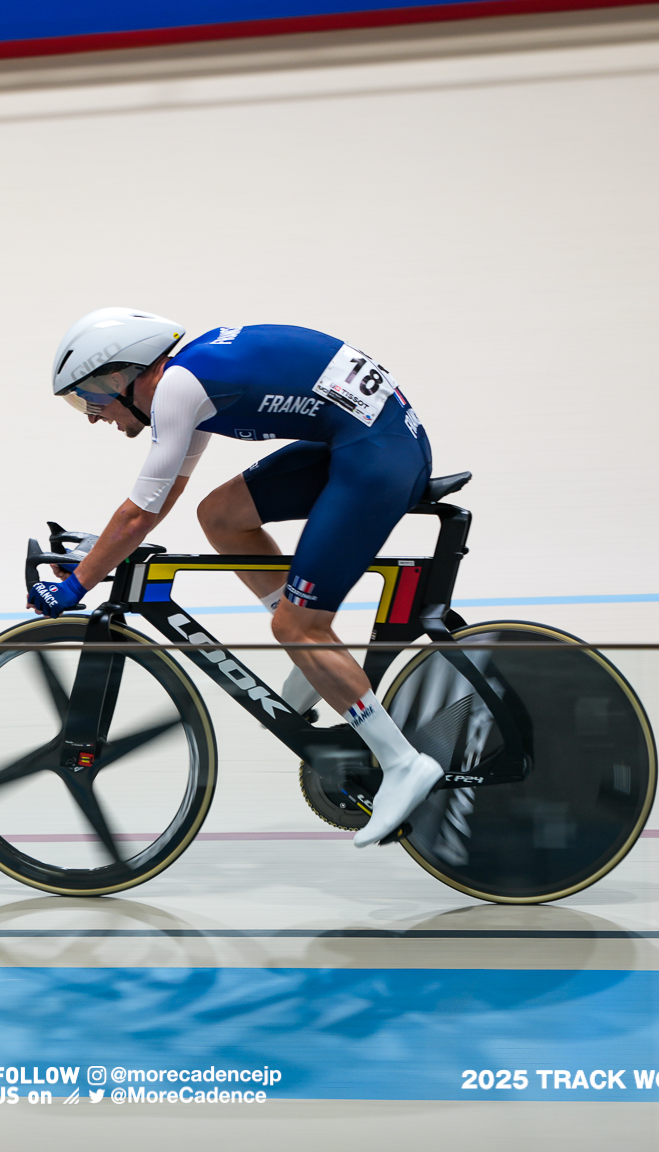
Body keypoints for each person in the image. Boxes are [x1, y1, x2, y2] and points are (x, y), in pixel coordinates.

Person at [31, 308, 444, 846]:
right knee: (221, 516)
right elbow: (164, 497)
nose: (89, 415)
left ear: (122, 375)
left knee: (299, 627)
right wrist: (94, 564)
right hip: (367, 437)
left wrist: (73, 585)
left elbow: (139, 515)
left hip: (376, 453)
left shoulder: (179, 387)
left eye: (89, 396)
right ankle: (311, 650)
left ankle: (402, 763)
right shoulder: (191, 384)